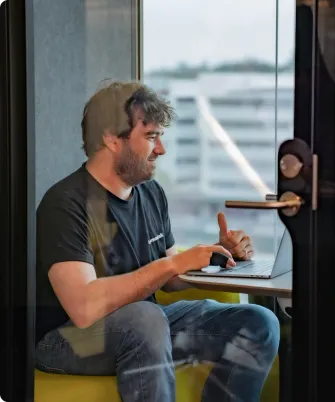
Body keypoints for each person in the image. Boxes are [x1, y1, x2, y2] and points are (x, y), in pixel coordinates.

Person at [35, 81, 280, 402]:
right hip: (68, 338)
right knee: (145, 318)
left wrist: (214, 258)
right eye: (151, 137)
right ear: (111, 138)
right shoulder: (65, 203)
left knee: (259, 322)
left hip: (145, 327)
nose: (161, 148)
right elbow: (84, 308)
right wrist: (173, 262)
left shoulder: (150, 193)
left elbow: (171, 280)